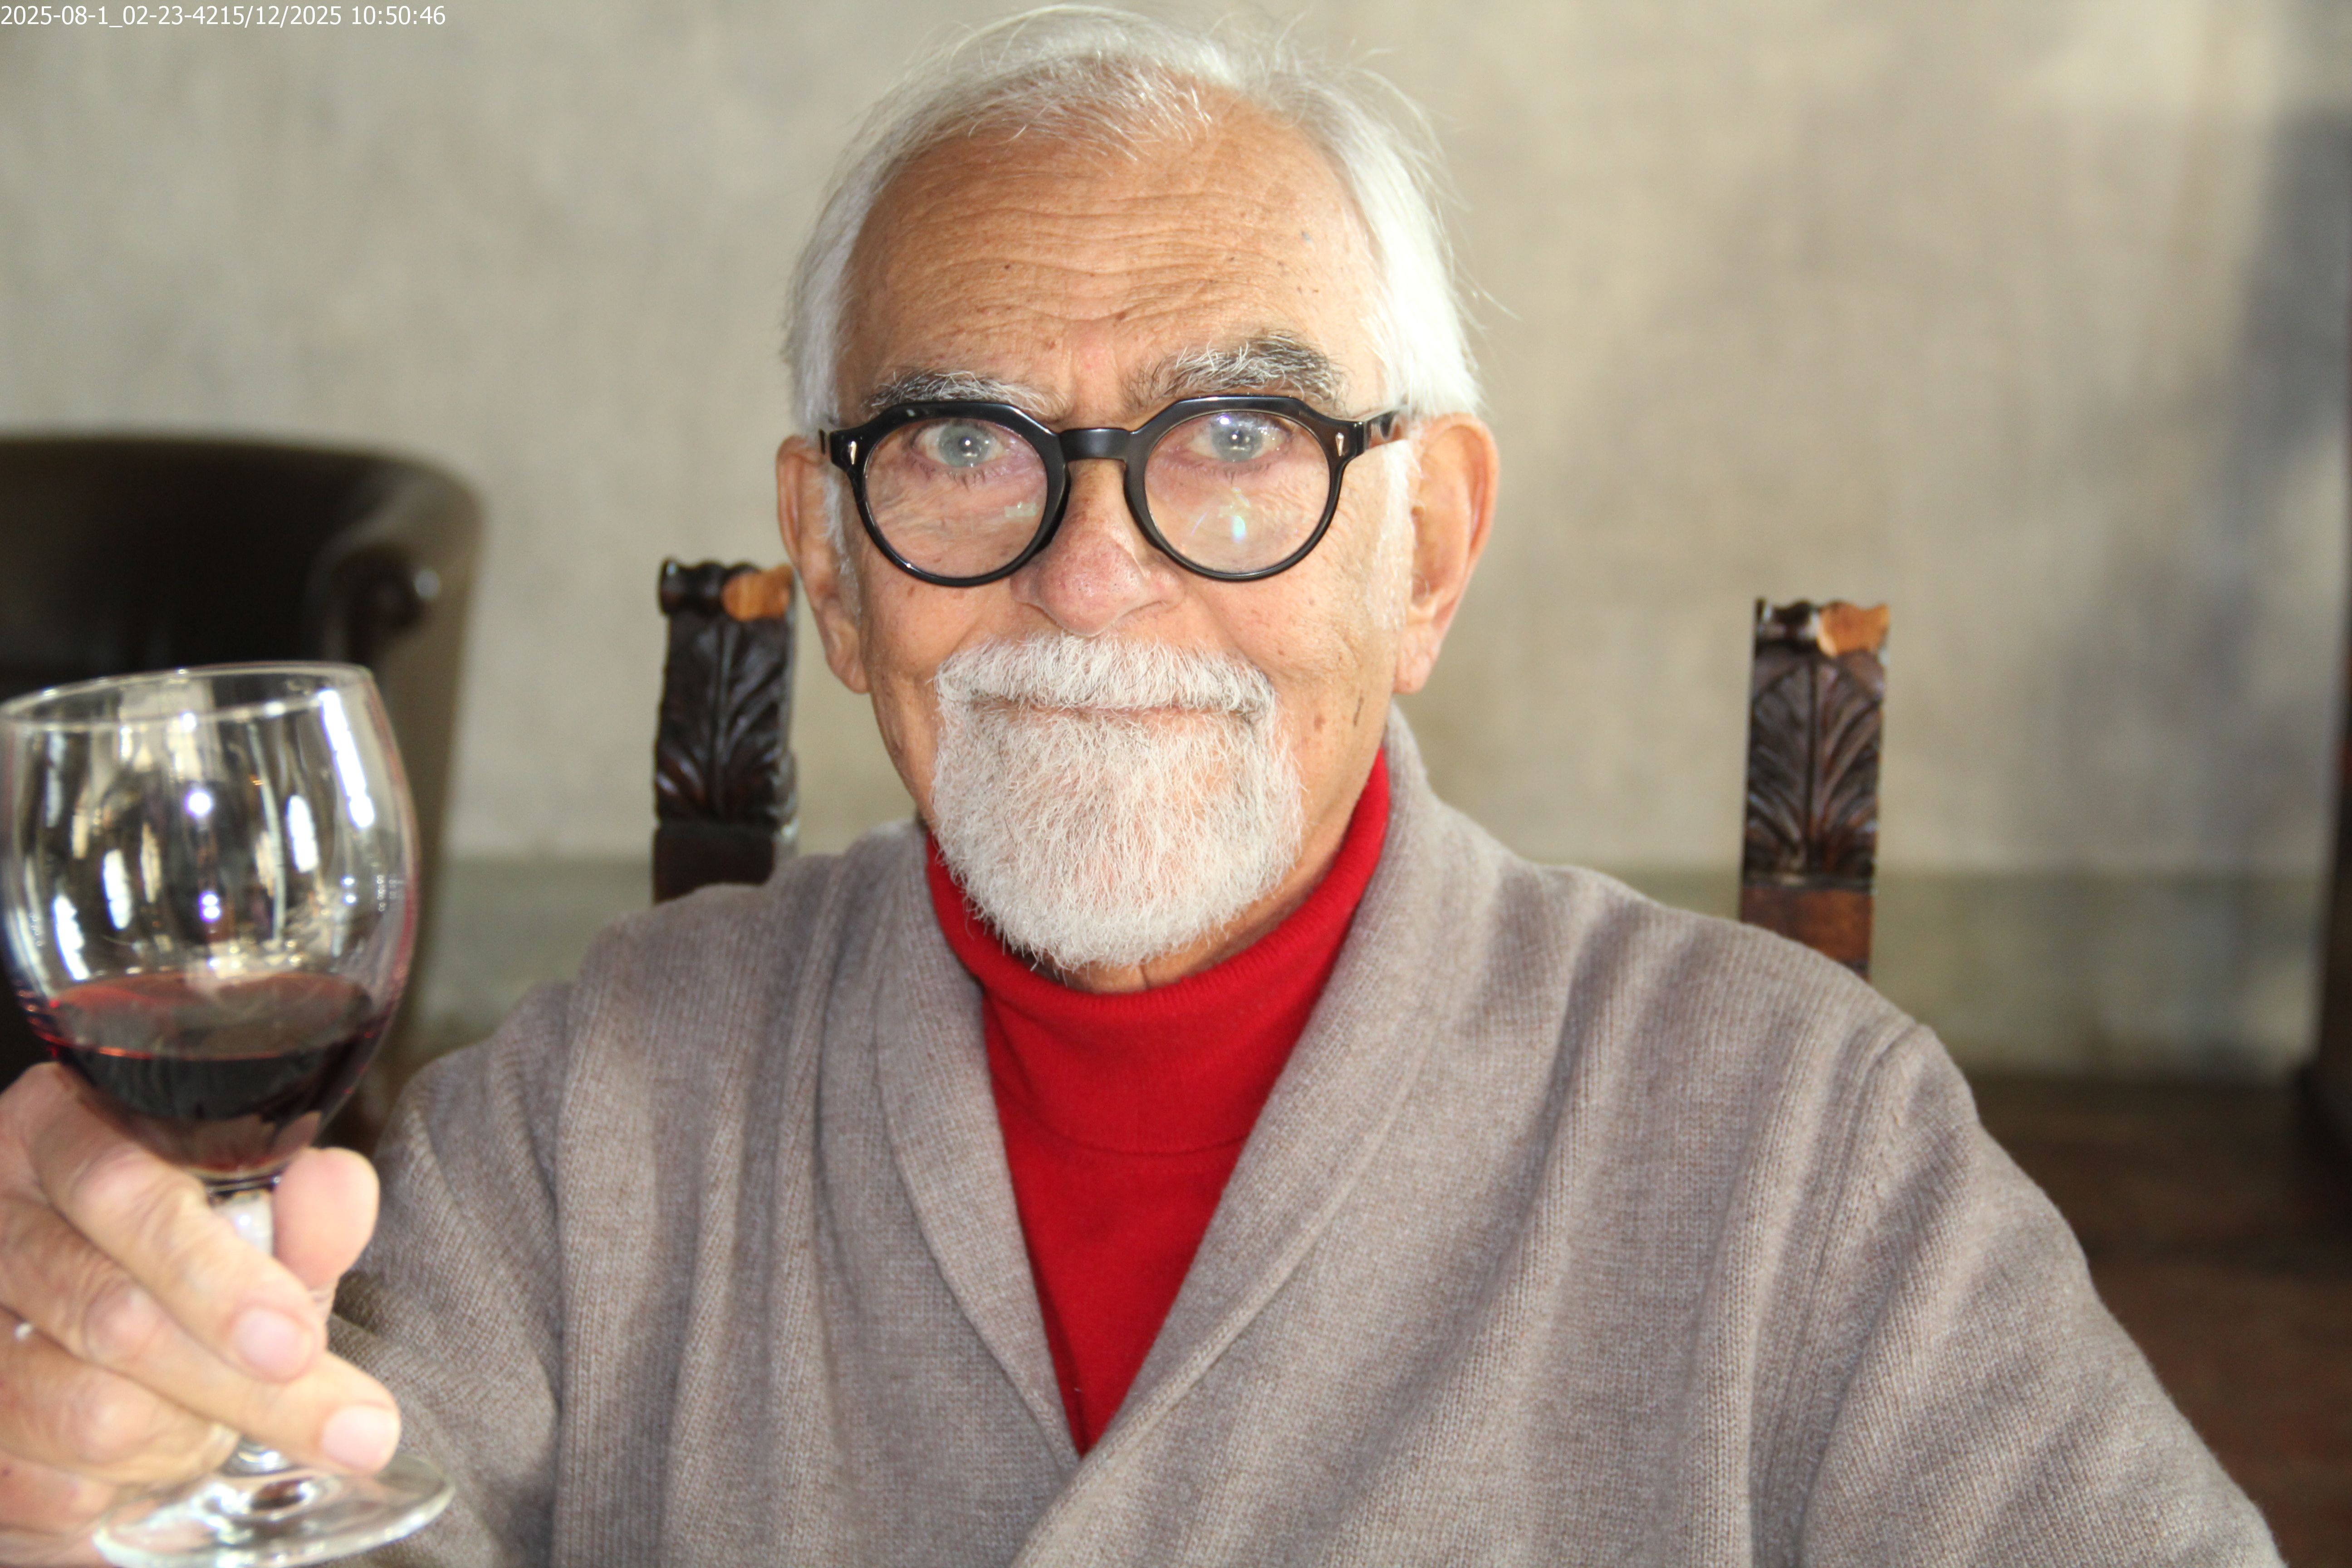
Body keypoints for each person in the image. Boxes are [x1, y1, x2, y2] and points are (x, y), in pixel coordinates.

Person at [0, 10, 2283, 1565]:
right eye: (962, 445)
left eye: (1239, 436)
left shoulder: (1804, 1147)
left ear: (1429, 550)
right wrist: (97, 1473)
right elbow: (279, 1499)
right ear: (830, 558)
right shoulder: (599, 1113)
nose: (1094, 575)